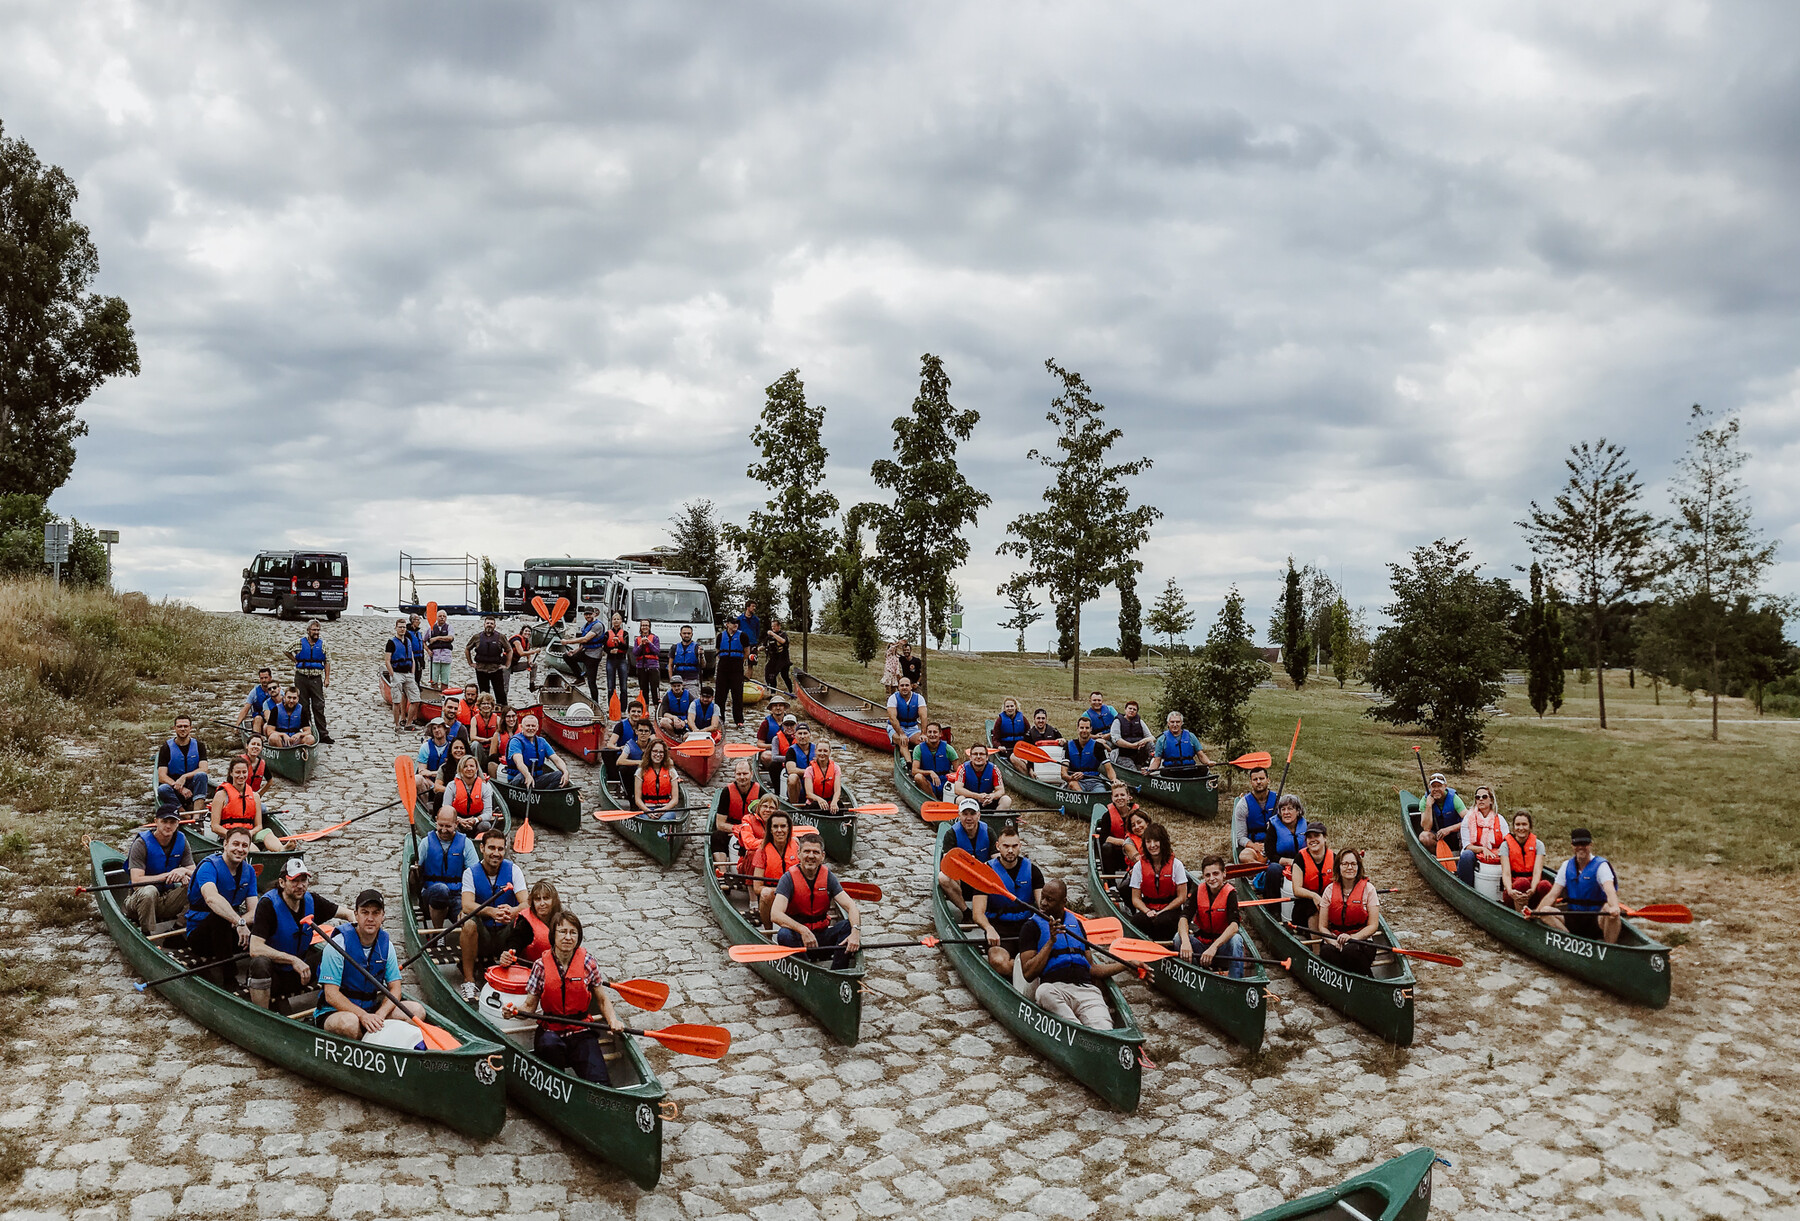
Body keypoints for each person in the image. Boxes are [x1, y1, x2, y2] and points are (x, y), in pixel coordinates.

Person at [505, 911, 621, 1083]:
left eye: (573, 932)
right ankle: (557, 1082)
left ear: (578, 936)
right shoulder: (540, 966)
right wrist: (514, 1011)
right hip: (550, 1031)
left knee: (602, 1082)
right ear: (554, 935)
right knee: (549, 1046)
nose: (568, 937)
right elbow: (529, 1006)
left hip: (581, 1029)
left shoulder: (588, 962)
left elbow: (602, 1000)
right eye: (563, 932)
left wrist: (613, 1021)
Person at [315, 889, 428, 1037]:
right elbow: (331, 995)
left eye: (375, 913)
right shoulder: (337, 945)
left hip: (372, 1009)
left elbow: (395, 989)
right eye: (365, 912)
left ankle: (376, 1038)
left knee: (417, 1011)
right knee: (350, 1023)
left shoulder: (387, 947)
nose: (370, 918)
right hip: (336, 1012)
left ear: (383, 917)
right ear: (356, 915)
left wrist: (380, 1015)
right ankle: (370, 1039)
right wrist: (362, 1015)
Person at [1021, 879, 1128, 1026]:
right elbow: (1028, 973)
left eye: (1050, 900)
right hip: (1055, 989)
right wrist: (1051, 941)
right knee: (1043, 992)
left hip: (1086, 990)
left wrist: (1126, 965)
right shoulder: (1031, 926)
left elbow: (1092, 968)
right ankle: (1075, 1027)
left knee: (1104, 1027)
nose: (1043, 903)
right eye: (1043, 897)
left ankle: (1090, 1029)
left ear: (1063, 902)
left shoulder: (1076, 924)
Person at [248, 859, 337, 1010]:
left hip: (300, 975)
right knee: (259, 963)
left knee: (336, 950)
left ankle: (340, 1000)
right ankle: (262, 1015)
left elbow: (347, 913)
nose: (300, 886)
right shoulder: (268, 905)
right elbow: (255, 949)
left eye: (304, 880)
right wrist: (292, 960)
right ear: (282, 883)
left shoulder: (312, 900)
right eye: (294, 881)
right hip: (273, 977)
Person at [770, 836, 861, 969]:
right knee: (784, 934)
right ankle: (806, 968)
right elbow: (775, 914)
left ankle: (837, 971)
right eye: (806, 851)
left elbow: (851, 906)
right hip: (799, 940)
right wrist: (802, 930)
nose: (811, 856)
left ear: (822, 856)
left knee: (848, 926)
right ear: (799, 854)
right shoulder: (788, 879)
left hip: (822, 938)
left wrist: (856, 932)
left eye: (816, 852)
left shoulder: (828, 877)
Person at [459, 830, 527, 1000]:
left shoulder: (514, 870)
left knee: (527, 918)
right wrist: (491, 911)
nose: (496, 853)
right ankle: (469, 980)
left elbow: (527, 902)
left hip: (507, 936)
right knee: (467, 922)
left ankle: (525, 972)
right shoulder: (470, 873)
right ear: (482, 848)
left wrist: (513, 912)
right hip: (483, 937)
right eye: (491, 848)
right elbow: (467, 904)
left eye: (500, 849)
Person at [184, 826, 259, 981]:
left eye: (245, 846)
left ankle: (265, 969)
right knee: (220, 918)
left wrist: (241, 922)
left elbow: (255, 910)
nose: (240, 849)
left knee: (267, 916)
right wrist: (238, 921)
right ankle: (229, 977)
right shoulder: (208, 867)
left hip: (232, 932)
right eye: (235, 844)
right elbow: (211, 898)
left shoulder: (249, 871)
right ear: (225, 844)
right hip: (202, 937)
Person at [971, 824, 1044, 975]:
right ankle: (1026, 973)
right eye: (1006, 846)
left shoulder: (1033, 871)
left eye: (1014, 846)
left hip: (1027, 927)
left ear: (1020, 846)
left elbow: (1044, 906)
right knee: (998, 961)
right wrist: (989, 929)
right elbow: (978, 913)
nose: (1010, 850)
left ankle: (1024, 970)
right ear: (998, 846)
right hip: (999, 929)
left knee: (1049, 957)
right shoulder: (986, 872)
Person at [1533, 828, 1622, 943]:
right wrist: (1535, 913)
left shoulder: (1601, 866)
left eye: (1584, 844)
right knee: (1544, 911)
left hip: (1595, 918)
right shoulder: (1566, 866)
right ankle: (1569, 940)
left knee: (1609, 909)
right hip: (1574, 917)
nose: (1581, 847)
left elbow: (1610, 890)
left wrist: (1614, 906)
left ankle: (1609, 947)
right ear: (1572, 846)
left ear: (1591, 845)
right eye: (1577, 844)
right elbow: (1552, 895)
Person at [125, 804, 195, 934]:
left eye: (173, 822)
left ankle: (179, 927)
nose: (168, 826)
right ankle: (147, 933)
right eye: (164, 821)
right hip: (139, 900)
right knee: (149, 891)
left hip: (166, 898)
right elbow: (136, 882)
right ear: (156, 821)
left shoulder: (181, 840)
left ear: (178, 823)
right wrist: (168, 875)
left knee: (197, 887)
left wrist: (183, 872)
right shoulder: (141, 844)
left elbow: (195, 874)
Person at [1176, 856, 1250, 978]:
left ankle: (1236, 979)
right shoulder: (1199, 891)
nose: (1212, 878)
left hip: (1221, 949)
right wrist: (1185, 942)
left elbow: (1234, 925)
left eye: (1216, 873)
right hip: (1202, 945)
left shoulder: (1230, 894)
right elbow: (1184, 917)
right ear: (1204, 877)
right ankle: (1194, 973)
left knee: (1236, 940)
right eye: (1207, 875)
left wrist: (1214, 948)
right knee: (1177, 938)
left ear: (1224, 874)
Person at [1316, 850, 1382, 974]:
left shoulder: (1369, 889)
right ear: (1338, 867)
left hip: (1361, 941)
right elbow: (1322, 926)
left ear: (1358, 866)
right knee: (1326, 952)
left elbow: (1373, 925)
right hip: (1335, 939)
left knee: (1350, 951)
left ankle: (1366, 977)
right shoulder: (1329, 891)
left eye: (1353, 864)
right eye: (1345, 864)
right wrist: (1333, 942)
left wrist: (1352, 938)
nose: (1349, 867)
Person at [1127, 822, 1189, 939]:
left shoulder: (1177, 865)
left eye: (1156, 841)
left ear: (1163, 842)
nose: (1152, 845)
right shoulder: (1139, 866)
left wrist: (1163, 911)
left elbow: (1182, 897)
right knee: (1137, 921)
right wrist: (1147, 911)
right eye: (1148, 842)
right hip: (1149, 908)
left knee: (1163, 921)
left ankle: (1166, 949)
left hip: (1170, 909)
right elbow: (1135, 898)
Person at [415, 803, 474, 927]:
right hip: (432, 893)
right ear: (436, 821)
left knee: (467, 922)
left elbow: (474, 872)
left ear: (456, 824)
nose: (443, 830)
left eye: (448, 826)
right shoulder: (426, 843)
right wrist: (414, 872)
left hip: (456, 894)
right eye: (440, 825)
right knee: (441, 890)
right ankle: (438, 934)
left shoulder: (466, 843)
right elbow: (415, 874)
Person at [938, 799, 995, 916]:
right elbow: (946, 864)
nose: (969, 818)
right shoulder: (951, 834)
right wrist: (965, 863)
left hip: (982, 879)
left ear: (979, 815)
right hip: (962, 881)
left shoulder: (988, 832)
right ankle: (966, 911)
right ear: (959, 816)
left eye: (972, 814)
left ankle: (991, 908)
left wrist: (981, 866)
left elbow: (998, 859)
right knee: (943, 877)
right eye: (965, 814)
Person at [210, 756, 280, 852]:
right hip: (230, 835)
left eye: (244, 772)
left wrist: (251, 833)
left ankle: (282, 849)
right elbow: (214, 826)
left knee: (268, 833)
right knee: (253, 850)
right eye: (238, 772)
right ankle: (258, 855)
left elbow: (259, 826)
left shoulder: (255, 796)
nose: (241, 776)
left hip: (249, 832)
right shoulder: (221, 795)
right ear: (231, 773)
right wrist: (232, 834)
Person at [748, 804, 801, 926]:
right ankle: (768, 932)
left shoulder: (797, 847)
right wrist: (782, 891)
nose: (779, 830)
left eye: (783, 826)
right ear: (770, 830)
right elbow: (757, 888)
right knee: (766, 893)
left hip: (794, 894)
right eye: (775, 827)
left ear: (789, 829)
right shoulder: (762, 851)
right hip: (774, 894)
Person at [285, 620, 334, 744]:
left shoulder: (323, 645)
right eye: (314, 630)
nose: (316, 632)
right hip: (301, 677)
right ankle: (306, 732)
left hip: (316, 679)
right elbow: (286, 650)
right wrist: (295, 660)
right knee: (303, 706)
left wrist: (327, 678)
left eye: (318, 630)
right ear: (308, 631)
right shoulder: (300, 643)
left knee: (319, 706)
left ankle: (323, 734)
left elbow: (327, 661)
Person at [498, 880, 562, 967]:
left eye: (546, 898)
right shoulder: (525, 923)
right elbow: (515, 941)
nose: (542, 903)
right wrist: (507, 956)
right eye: (538, 899)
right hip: (530, 970)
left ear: (554, 901)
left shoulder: (563, 918)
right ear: (533, 902)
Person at [1455, 785, 1508, 889]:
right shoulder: (1468, 818)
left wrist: (1496, 853)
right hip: (1475, 853)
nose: (1480, 799)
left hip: (1495, 855)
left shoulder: (1500, 819)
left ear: (1491, 800)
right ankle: (1467, 888)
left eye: (1484, 797)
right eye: (1477, 797)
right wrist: (1483, 849)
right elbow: (1467, 845)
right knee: (1466, 856)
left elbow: (1507, 842)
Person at [1258, 793, 1309, 900]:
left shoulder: (1307, 826)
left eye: (1290, 809)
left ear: (1298, 811)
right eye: (1283, 809)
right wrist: (1291, 862)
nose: (1286, 812)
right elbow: (1270, 854)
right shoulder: (1273, 827)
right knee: (1273, 869)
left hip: (1302, 862)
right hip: (1279, 863)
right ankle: (1272, 904)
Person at [1501, 810, 1553, 912]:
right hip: (1514, 892)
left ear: (1530, 826)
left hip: (1532, 892)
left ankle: (1545, 916)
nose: (1521, 828)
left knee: (1545, 885)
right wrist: (1510, 891)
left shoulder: (1538, 845)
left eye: (1524, 824)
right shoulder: (1505, 845)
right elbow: (1506, 873)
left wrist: (1533, 889)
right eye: (1518, 825)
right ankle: (1521, 917)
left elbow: (1537, 871)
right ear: (1514, 827)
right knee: (1522, 883)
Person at [713, 760, 764, 861]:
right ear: (735, 775)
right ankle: (722, 872)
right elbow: (719, 824)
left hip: (753, 830)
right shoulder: (727, 792)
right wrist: (737, 829)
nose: (742, 777)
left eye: (745, 773)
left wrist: (747, 831)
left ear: (751, 774)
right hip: (732, 829)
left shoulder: (760, 792)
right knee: (716, 836)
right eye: (739, 774)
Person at [156, 716, 210, 811]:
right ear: (175, 728)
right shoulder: (166, 748)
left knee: (201, 775)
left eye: (185, 726)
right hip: (174, 786)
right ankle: (185, 814)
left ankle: (196, 815)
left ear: (190, 728)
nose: (183, 729)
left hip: (192, 787)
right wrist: (180, 788)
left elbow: (204, 769)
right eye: (179, 726)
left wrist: (184, 777)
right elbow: (161, 776)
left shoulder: (199, 746)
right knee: (162, 789)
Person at [1290, 822, 1334, 930]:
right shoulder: (1300, 859)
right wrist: (1314, 896)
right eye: (1309, 837)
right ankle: (1316, 946)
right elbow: (1297, 889)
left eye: (1317, 836)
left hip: (1329, 901)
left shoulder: (1334, 858)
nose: (1313, 839)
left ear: (1324, 838)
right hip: (1305, 904)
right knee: (1313, 908)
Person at [1233, 766, 1279, 865]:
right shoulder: (1243, 804)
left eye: (1261, 778)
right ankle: (1262, 870)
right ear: (1251, 782)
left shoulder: (1278, 801)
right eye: (1255, 779)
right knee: (1244, 857)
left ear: (1268, 780)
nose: (1258, 782)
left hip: (1276, 843)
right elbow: (1240, 837)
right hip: (1255, 846)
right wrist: (1254, 846)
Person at [1094, 781, 1143, 875]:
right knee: (1106, 846)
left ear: (1128, 796)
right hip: (1115, 855)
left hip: (1135, 853)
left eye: (1122, 795)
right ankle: (1111, 883)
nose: (1119, 798)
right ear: (1112, 798)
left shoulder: (1137, 814)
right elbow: (1104, 837)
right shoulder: (1107, 816)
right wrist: (1125, 843)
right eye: (1116, 796)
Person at [507, 715, 569, 790]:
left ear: (537, 727)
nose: (530, 728)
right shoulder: (515, 741)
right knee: (521, 777)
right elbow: (519, 762)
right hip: (520, 779)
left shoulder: (542, 741)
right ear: (522, 727)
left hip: (537, 779)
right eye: (528, 726)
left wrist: (565, 772)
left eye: (533, 726)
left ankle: (545, 795)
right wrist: (527, 775)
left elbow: (556, 759)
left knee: (560, 774)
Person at [1148, 711, 1213, 778]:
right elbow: (1157, 761)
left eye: (1178, 722)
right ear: (1168, 723)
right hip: (1171, 771)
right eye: (1172, 722)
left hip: (1189, 769)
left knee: (1204, 770)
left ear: (1181, 723)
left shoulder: (1191, 736)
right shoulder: (1162, 739)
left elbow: (1201, 755)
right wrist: (1149, 770)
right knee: (1164, 772)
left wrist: (1208, 762)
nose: (1175, 725)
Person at [466, 616, 513, 708]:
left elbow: (509, 650)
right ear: (484, 624)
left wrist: (507, 665)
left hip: (496, 669)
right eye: (488, 623)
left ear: (495, 625)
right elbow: (467, 649)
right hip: (481, 669)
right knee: (484, 693)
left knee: (500, 693)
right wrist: (470, 663)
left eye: (491, 624)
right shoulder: (477, 637)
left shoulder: (500, 637)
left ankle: (503, 711)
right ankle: (484, 711)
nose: (489, 625)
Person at [1060, 716, 1114, 794]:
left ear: (1091, 729)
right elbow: (1063, 773)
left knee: (1100, 793)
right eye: (1082, 728)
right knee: (1072, 784)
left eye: (1087, 728)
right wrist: (1070, 777)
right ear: (1077, 729)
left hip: (1095, 782)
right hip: (1076, 782)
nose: (1084, 730)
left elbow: (1109, 769)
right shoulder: (1068, 746)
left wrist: (1114, 780)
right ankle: (1083, 798)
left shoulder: (1098, 746)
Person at [448, 754, 499, 836]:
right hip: (457, 820)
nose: (469, 769)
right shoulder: (452, 786)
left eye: (472, 766)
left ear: (476, 768)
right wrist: (459, 820)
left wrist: (475, 820)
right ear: (460, 769)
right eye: (465, 766)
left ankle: (478, 840)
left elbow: (488, 813)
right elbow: (446, 809)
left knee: (486, 825)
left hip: (476, 820)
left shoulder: (484, 787)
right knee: (452, 828)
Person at [952, 742, 1012, 812]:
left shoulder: (994, 769)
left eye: (982, 754)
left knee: (1006, 800)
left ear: (987, 757)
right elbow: (957, 789)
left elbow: (1001, 790)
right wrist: (977, 796)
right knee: (960, 799)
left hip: (988, 801)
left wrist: (991, 796)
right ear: (970, 757)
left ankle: (996, 819)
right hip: (970, 801)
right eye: (975, 754)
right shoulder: (963, 768)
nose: (978, 756)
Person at [1416, 772, 1466, 854]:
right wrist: (1428, 806)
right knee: (1424, 837)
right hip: (1437, 836)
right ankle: (1439, 856)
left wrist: (1448, 829)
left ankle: (1460, 854)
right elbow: (1426, 828)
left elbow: (1468, 820)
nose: (1436, 789)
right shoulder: (1425, 801)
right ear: (1429, 788)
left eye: (1439, 786)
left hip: (1454, 835)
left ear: (1445, 786)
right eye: (1433, 786)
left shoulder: (1454, 798)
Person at [385, 618, 421, 731]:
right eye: (400, 627)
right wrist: (393, 675)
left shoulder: (408, 641)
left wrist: (413, 673)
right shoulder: (391, 642)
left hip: (408, 674)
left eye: (404, 627)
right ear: (396, 628)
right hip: (397, 673)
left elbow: (412, 658)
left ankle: (408, 723)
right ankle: (397, 725)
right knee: (396, 701)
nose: (402, 629)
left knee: (416, 699)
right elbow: (387, 660)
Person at [715, 615, 749, 727]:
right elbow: (718, 651)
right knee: (720, 695)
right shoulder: (720, 636)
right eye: (732, 622)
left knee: (737, 695)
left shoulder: (743, 636)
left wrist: (739, 661)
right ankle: (720, 719)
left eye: (736, 623)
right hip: (723, 667)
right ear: (727, 624)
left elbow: (746, 652)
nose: (735, 625)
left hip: (736, 668)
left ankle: (739, 720)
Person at [910, 721, 958, 799]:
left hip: (945, 780)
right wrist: (930, 772)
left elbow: (957, 771)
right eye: (930, 732)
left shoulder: (948, 749)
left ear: (940, 734)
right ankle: (933, 799)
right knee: (918, 777)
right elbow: (914, 771)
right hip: (928, 780)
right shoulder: (919, 749)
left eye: (935, 732)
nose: (932, 735)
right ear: (926, 734)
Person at [568, 607, 606, 703]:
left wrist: (568, 641)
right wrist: (575, 651)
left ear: (594, 614)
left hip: (594, 656)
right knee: (568, 657)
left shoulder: (597, 626)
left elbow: (585, 639)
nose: (588, 616)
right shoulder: (586, 625)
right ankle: (580, 678)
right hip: (586, 652)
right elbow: (583, 644)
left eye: (590, 614)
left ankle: (595, 702)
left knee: (591, 682)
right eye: (586, 614)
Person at [635, 738, 681, 817]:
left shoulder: (671, 771)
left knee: (665, 819)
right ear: (650, 752)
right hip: (647, 808)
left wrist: (663, 810)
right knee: (646, 820)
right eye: (655, 751)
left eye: (661, 752)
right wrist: (648, 811)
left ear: (664, 754)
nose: (658, 754)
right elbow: (638, 800)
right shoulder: (640, 772)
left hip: (666, 808)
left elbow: (675, 799)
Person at [800, 741, 849, 815]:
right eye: (820, 751)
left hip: (831, 803)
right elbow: (809, 794)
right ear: (815, 751)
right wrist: (820, 800)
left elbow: (837, 791)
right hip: (815, 803)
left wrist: (834, 801)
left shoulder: (836, 768)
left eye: (825, 751)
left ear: (829, 752)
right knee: (815, 806)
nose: (822, 753)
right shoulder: (809, 770)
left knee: (839, 805)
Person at [415, 720, 456, 804]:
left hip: (447, 783)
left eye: (439, 727)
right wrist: (435, 775)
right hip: (429, 783)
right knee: (417, 779)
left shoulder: (453, 746)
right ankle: (426, 806)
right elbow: (422, 771)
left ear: (445, 729)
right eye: (434, 728)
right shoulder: (425, 747)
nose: (437, 730)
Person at [759, 703, 797, 791]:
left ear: (796, 726)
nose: (789, 727)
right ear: (782, 726)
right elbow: (774, 757)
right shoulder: (776, 738)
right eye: (786, 725)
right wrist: (790, 759)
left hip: (796, 764)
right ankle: (778, 791)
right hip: (782, 763)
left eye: (792, 725)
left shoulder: (800, 737)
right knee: (773, 765)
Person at [1108, 700, 1154, 767]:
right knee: (1131, 767)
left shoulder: (1140, 722)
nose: (1132, 710)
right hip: (1123, 754)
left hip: (1139, 753)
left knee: (1150, 744)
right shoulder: (1117, 722)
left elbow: (1151, 737)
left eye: (1134, 709)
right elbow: (1116, 740)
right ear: (1125, 710)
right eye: (1130, 708)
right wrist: (1132, 746)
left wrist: (1142, 742)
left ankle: (1153, 763)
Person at [237, 668, 282, 735]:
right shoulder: (254, 692)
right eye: (261, 678)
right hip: (261, 719)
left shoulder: (278, 691)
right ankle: (256, 737)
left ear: (270, 677)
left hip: (277, 719)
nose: (264, 680)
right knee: (258, 719)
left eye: (266, 678)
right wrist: (237, 724)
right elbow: (246, 708)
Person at [608, 707, 644, 788]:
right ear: (629, 713)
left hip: (640, 754)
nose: (636, 714)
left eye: (639, 712)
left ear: (642, 713)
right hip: (624, 754)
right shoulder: (620, 726)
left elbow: (654, 741)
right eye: (633, 711)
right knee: (607, 753)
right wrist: (619, 748)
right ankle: (615, 780)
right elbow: (610, 744)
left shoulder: (645, 726)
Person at [466, 691, 503, 769]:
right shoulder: (474, 719)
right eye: (483, 703)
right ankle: (476, 768)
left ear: (492, 706)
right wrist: (486, 740)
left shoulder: (497, 719)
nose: (486, 706)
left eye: (488, 704)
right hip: (480, 748)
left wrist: (493, 741)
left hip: (493, 748)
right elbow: (472, 737)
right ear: (479, 706)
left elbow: (502, 735)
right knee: (475, 744)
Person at [887, 676, 927, 748]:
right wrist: (901, 734)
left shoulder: (919, 698)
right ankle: (908, 759)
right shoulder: (893, 698)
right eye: (902, 685)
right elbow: (892, 718)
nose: (904, 687)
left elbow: (924, 717)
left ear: (911, 687)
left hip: (912, 728)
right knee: (903, 741)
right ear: (898, 687)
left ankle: (917, 758)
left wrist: (923, 733)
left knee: (923, 743)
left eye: (907, 685)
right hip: (896, 728)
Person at [602, 612, 632, 708]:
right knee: (611, 687)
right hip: (611, 660)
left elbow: (626, 647)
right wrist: (610, 651)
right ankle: (612, 707)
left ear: (621, 621)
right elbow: (605, 647)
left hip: (622, 660)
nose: (616, 621)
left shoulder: (625, 634)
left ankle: (623, 708)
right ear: (611, 621)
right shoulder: (607, 634)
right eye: (614, 619)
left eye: (618, 619)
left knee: (623, 687)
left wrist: (619, 643)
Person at [633, 620, 662, 711]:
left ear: (649, 627)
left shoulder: (655, 638)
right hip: (641, 666)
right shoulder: (637, 639)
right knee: (643, 689)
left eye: (646, 625)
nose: (644, 627)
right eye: (642, 625)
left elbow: (657, 651)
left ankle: (657, 708)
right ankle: (645, 709)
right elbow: (635, 653)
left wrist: (649, 643)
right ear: (640, 627)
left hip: (653, 666)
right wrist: (641, 645)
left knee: (655, 689)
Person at [781, 724, 819, 796]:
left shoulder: (817, 749)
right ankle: (794, 805)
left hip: (815, 781)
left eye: (805, 733)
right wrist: (809, 772)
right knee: (792, 777)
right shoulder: (791, 751)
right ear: (795, 736)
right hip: (800, 784)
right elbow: (791, 770)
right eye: (800, 734)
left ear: (809, 735)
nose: (802, 736)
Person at [487, 707, 522, 780]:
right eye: (508, 717)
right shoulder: (497, 735)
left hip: (520, 760)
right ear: (504, 719)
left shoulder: (522, 732)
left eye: (513, 716)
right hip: (503, 761)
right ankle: (497, 784)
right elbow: (492, 755)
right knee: (491, 764)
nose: (511, 719)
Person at [509, 622, 540, 699]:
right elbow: (521, 653)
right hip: (506, 665)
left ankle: (532, 685)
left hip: (514, 664)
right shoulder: (516, 640)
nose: (527, 633)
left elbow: (528, 654)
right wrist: (535, 651)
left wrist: (530, 662)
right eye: (526, 631)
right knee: (505, 685)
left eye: (529, 631)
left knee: (534, 665)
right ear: (522, 632)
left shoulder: (526, 642)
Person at [762, 618, 793, 695]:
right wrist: (759, 648)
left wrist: (773, 634)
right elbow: (764, 645)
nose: (773, 628)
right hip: (774, 659)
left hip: (783, 659)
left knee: (785, 676)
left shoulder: (783, 634)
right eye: (772, 627)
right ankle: (772, 692)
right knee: (770, 673)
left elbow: (783, 641)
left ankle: (791, 692)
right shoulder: (770, 636)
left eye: (774, 626)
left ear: (779, 626)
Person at [426, 611, 456, 688]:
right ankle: (434, 696)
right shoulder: (430, 629)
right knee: (434, 681)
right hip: (434, 658)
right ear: (436, 617)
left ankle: (444, 696)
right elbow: (423, 641)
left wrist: (437, 638)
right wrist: (428, 650)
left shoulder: (449, 627)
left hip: (446, 657)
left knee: (445, 681)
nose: (442, 617)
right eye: (440, 616)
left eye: (444, 616)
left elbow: (450, 638)